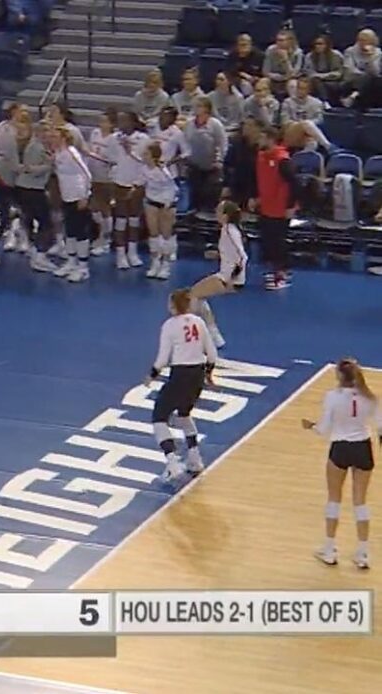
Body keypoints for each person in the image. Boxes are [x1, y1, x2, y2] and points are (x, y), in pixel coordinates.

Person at [304, 358, 378, 570]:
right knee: (360, 502)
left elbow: (324, 429)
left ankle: (329, 549)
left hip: (340, 448)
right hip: (363, 448)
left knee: (334, 499)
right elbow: (380, 426)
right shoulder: (370, 397)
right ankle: (363, 553)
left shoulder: (332, 397)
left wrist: (311, 426)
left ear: (339, 376)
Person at [149, 288, 217, 483]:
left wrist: (152, 374)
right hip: (197, 375)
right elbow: (212, 354)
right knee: (184, 414)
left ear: (173, 306)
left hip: (179, 374)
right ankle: (195, 459)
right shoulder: (200, 322)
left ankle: (172, 464)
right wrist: (209, 374)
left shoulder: (170, 325)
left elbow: (162, 358)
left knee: (159, 418)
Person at [190, 200, 247, 349]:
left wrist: (231, 279)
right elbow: (231, 253)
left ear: (226, 215)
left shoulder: (229, 230)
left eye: (218, 211)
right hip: (227, 275)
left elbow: (242, 257)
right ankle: (214, 336)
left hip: (227, 278)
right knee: (198, 295)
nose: (215, 213)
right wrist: (217, 254)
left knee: (192, 295)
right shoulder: (229, 229)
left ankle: (206, 335)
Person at [251, 126, 296, 290]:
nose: (259, 141)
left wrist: (291, 206)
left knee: (279, 242)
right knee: (268, 241)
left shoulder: (283, 160)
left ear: (270, 139)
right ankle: (275, 270)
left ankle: (282, 275)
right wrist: (258, 198)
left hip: (280, 208)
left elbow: (294, 184)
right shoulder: (261, 156)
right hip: (266, 206)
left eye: (262, 137)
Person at [49, 126, 92, 282]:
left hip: (78, 196)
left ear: (63, 139)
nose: (51, 139)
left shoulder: (71, 153)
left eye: (54, 136)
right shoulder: (58, 154)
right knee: (70, 231)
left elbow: (86, 174)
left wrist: (85, 195)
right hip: (66, 197)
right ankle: (71, 262)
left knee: (81, 232)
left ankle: (83, 268)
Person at [0, 102, 30, 258]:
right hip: (4, 177)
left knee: (25, 211)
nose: (25, 114)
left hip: (23, 179)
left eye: (27, 111)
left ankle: (23, 237)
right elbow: (2, 152)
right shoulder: (3, 128)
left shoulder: (29, 131)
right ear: (14, 112)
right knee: (4, 216)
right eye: (22, 110)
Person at [14, 120, 55, 273]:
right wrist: (50, 165)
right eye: (45, 131)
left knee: (34, 219)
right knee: (46, 223)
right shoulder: (35, 147)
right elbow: (30, 169)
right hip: (30, 189)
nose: (48, 134)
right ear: (38, 132)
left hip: (32, 188)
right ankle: (40, 256)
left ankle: (35, 251)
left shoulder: (42, 146)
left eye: (49, 130)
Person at [110, 112, 150, 270]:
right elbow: (110, 158)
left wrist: (129, 151)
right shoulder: (114, 138)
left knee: (134, 219)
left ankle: (132, 252)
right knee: (120, 220)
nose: (122, 123)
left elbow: (145, 160)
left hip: (137, 182)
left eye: (125, 120)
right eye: (120, 120)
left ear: (133, 122)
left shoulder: (144, 139)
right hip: (119, 182)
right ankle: (120, 254)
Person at [138, 141, 178, 280]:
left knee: (165, 234)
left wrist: (168, 203)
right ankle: (155, 262)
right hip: (151, 202)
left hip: (166, 204)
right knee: (153, 234)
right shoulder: (144, 169)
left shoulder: (163, 171)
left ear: (153, 156)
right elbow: (142, 182)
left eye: (146, 154)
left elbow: (172, 188)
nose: (143, 156)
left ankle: (165, 265)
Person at [183, 97, 228, 216]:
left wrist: (221, 161)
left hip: (211, 167)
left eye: (199, 106)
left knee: (208, 195)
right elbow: (185, 142)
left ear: (206, 109)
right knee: (195, 195)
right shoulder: (189, 124)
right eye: (195, 106)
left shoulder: (215, 124)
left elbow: (223, 144)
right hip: (194, 166)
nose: (196, 108)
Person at [87, 108, 119, 256]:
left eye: (105, 121)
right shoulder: (95, 133)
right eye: (100, 121)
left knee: (105, 207)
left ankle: (106, 239)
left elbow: (115, 159)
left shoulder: (115, 138)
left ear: (112, 124)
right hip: (93, 173)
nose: (101, 124)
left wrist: (103, 159)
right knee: (94, 207)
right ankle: (99, 235)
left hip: (107, 176)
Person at [304, 34, 345, 104]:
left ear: (327, 45)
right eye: (316, 44)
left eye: (321, 44)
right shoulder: (309, 56)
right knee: (316, 82)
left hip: (334, 81)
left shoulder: (336, 55)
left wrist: (321, 76)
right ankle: (325, 102)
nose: (318, 46)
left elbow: (339, 73)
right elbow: (309, 73)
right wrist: (318, 76)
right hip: (316, 82)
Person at [263, 30, 304, 98]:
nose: (279, 43)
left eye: (282, 40)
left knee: (293, 84)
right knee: (263, 81)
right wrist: (281, 77)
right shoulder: (270, 50)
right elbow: (265, 72)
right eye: (278, 40)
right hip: (274, 79)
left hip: (289, 80)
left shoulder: (298, 53)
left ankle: (293, 105)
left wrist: (286, 60)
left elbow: (293, 74)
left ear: (290, 41)